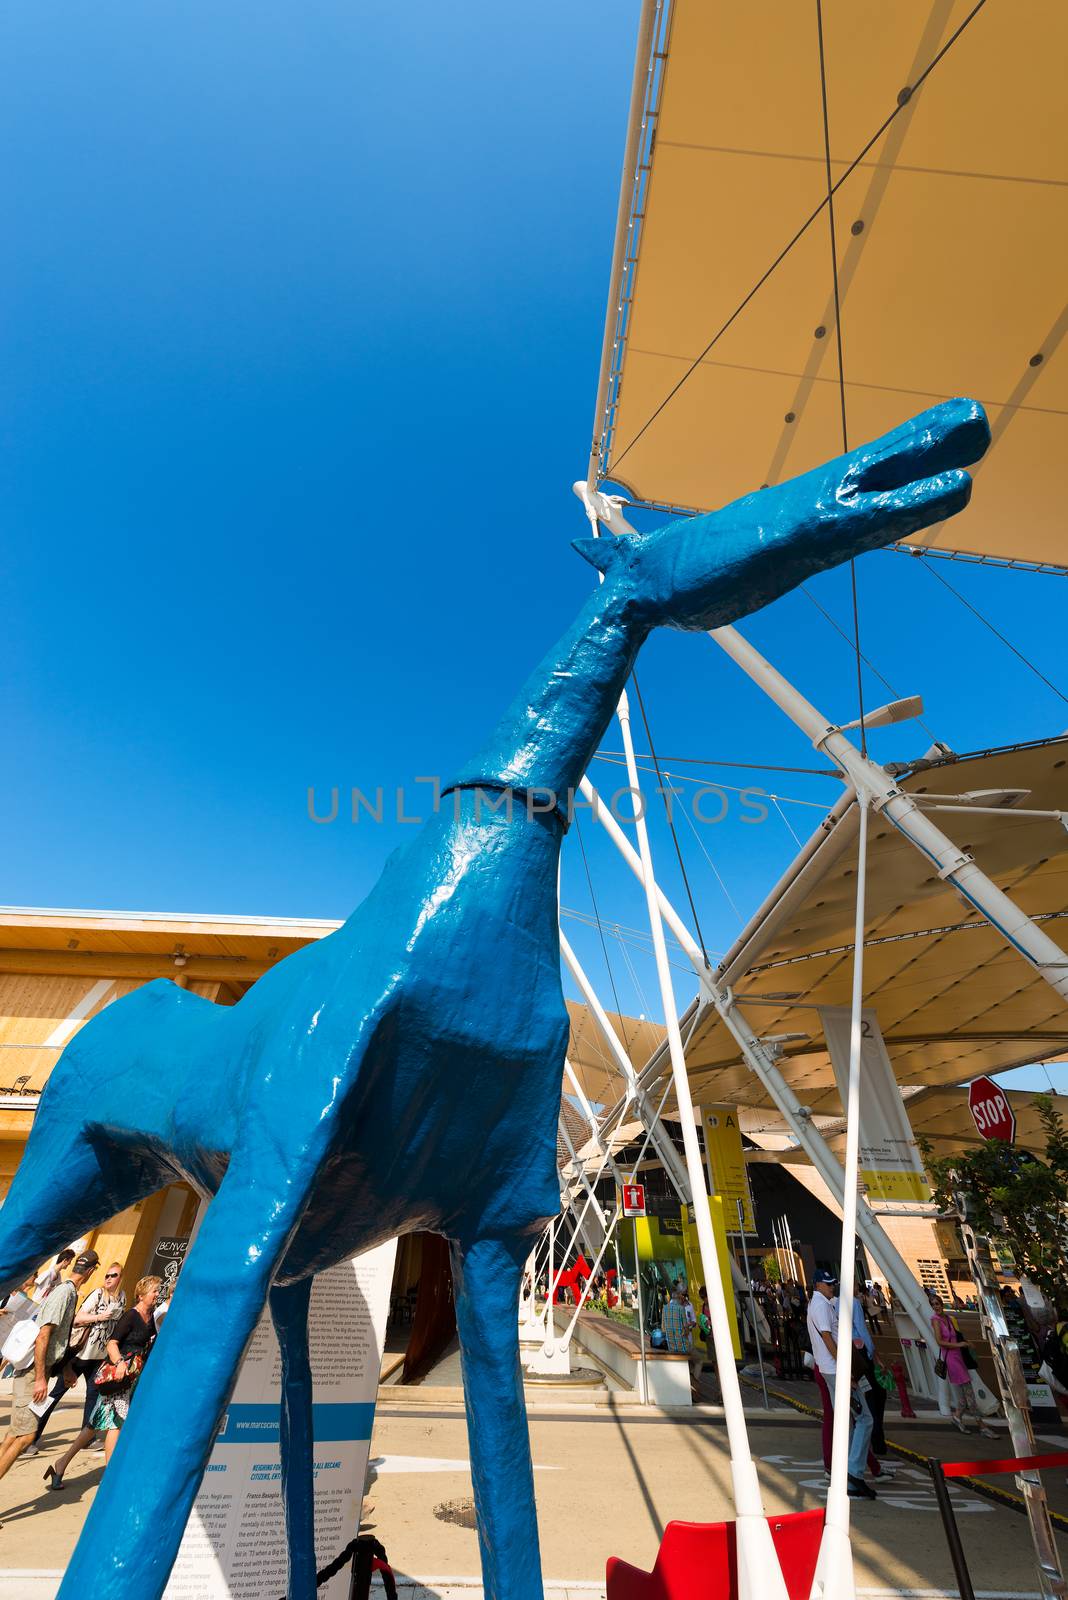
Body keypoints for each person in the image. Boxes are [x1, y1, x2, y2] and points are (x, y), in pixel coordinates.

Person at [46, 1274, 161, 1488]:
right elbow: (112, 1343)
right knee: (115, 1423)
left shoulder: (150, 1317)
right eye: (154, 1291)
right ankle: (110, 1478)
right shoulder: (131, 1316)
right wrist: (119, 1364)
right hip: (117, 1376)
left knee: (93, 1425)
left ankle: (60, 1464)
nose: (157, 1294)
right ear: (142, 1294)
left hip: (130, 1379)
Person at [0, 1249, 99, 1486]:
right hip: (35, 1370)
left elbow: (58, 1338)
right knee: (26, 1437)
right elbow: (44, 1335)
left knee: (15, 1433)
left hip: (41, 1368)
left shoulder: (69, 1292)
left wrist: (65, 1370)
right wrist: (41, 1379)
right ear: (92, 1271)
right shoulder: (65, 1292)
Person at [26, 1261, 127, 1456]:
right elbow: (78, 1318)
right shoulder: (98, 1294)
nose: (108, 1278)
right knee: (56, 1395)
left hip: (98, 1356)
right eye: (107, 1275)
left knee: (93, 1396)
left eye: (113, 1275)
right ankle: (32, 1437)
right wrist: (100, 1317)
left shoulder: (121, 1298)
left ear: (120, 1278)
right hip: (80, 1354)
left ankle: (86, 1438)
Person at [805, 1268, 876, 1500]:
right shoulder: (820, 1306)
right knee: (864, 1419)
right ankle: (853, 1471)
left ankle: (846, 1472)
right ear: (818, 1285)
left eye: (832, 1283)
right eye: (827, 1284)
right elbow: (828, 1339)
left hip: (829, 1370)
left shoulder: (821, 1304)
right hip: (836, 1370)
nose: (831, 1286)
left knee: (847, 1421)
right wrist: (846, 1370)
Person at [930, 1293, 995, 1437]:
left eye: (938, 1303)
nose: (936, 1306)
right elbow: (939, 1342)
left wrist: (965, 1343)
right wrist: (958, 1344)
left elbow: (958, 1336)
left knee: (965, 1394)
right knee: (969, 1391)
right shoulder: (935, 1320)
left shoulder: (949, 1318)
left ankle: (957, 1417)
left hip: (959, 1356)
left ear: (942, 1304)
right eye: (933, 1304)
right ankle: (981, 1425)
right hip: (951, 1359)